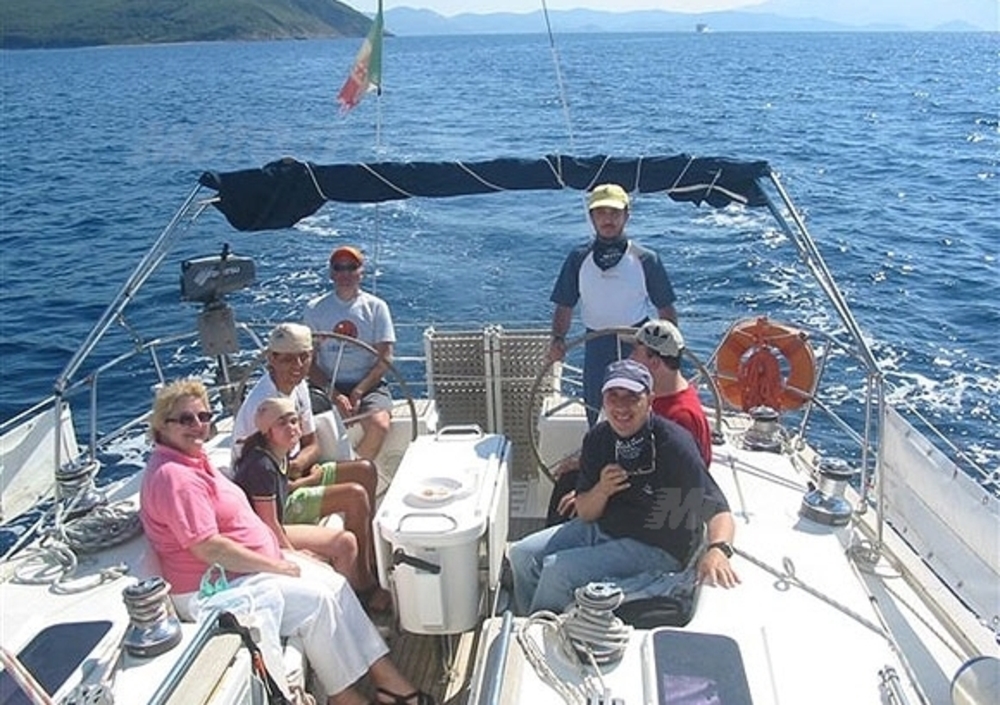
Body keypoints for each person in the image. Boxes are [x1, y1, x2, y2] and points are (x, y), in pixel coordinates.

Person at [139, 379, 434, 705]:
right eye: (185, 419)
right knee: (317, 602)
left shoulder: (193, 459)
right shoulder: (174, 477)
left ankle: (388, 682)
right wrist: (275, 564)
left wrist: (280, 555)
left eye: (204, 416)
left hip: (246, 568)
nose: (198, 425)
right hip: (214, 587)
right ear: (161, 425)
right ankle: (345, 697)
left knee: (336, 585)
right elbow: (208, 547)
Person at [509, 360, 739, 616]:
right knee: (521, 554)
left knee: (557, 571)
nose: (621, 406)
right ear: (603, 400)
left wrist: (719, 550)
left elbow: (719, 511)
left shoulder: (673, 444)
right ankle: (528, 618)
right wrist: (602, 489)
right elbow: (585, 513)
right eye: (613, 396)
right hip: (604, 528)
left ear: (650, 400)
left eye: (632, 397)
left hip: (656, 546)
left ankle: (542, 629)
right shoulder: (597, 439)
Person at [232, 323, 383, 606]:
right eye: (288, 359)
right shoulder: (263, 406)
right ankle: (363, 586)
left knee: (365, 470)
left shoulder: (299, 386)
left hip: (294, 473)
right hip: (277, 494)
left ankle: (371, 559)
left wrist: (302, 464)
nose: (298, 366)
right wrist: (306, 478)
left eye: (304, 357)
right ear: (272, 358)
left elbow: (312, 444)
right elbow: (266, 478)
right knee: (354, 496)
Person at [546, 319, 714, 525]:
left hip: (651, 505)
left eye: (635, 352)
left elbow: (666, 478)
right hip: (633, 480)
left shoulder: (680, 418)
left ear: (654, 363)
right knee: (570, 477)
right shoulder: (667, 397)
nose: (629, 358)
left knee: (568, 498)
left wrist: (593, 494)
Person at [234, 396, 392, 613]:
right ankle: (357, 597)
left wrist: (310, 480)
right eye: (282, 423)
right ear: (267, 431)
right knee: (346, 537)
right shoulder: (262, 467)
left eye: (293, 421)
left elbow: (284, 488)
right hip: (266, 530)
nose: (291, 427)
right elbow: (268, 523)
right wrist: (294, 557)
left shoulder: (278, 453)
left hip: (279, 516)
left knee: (363, 473)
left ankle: (366, 574)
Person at [548, 183, 677, 426]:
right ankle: (600, 448)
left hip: (638, 347)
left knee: (638, 408)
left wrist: (667, 354)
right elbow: (564, 304)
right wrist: (557, 339)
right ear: (591, 217)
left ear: (627, 215)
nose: (608, 219)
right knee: (594, 407)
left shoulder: (646, 259)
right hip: (595, 345)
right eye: (601, 212)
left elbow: (665, 309)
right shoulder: (578, 258)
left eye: (615, 213)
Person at [305, 245, 396, 462]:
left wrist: (358, 391)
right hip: (325, 386)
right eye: (339, 267)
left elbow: (385, 358)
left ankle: (351, 471)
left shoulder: (376, 307)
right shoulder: (315, 308)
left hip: (369, 386)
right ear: (331, 273)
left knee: (380, 424)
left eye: (351, 267)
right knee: (303, 426)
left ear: (361, 272)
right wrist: (334, 394)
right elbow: (308, 362)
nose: (345, 273)